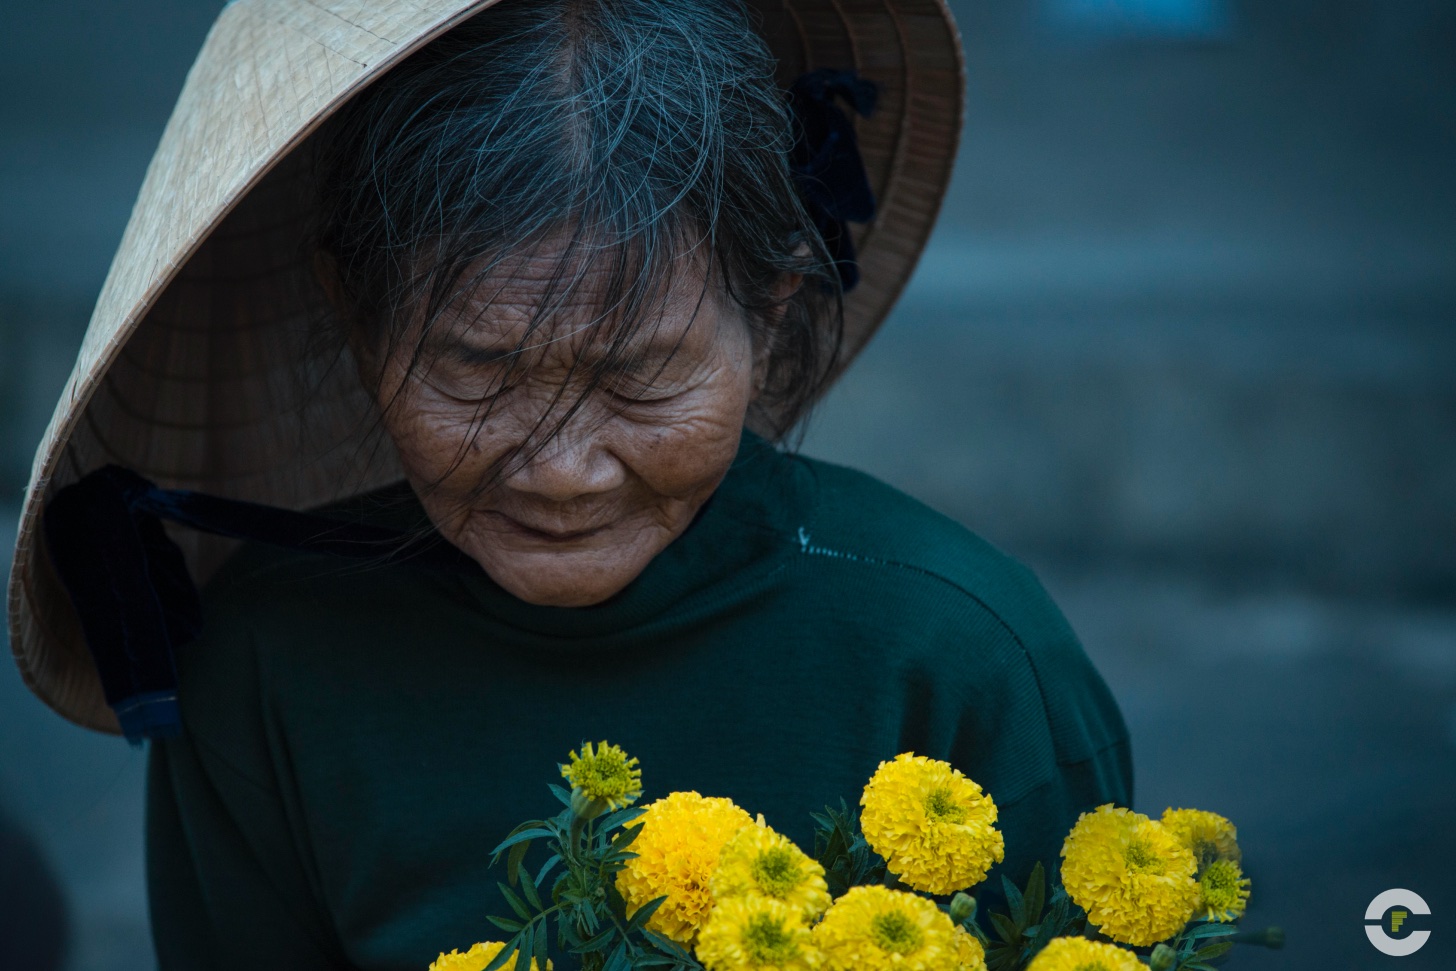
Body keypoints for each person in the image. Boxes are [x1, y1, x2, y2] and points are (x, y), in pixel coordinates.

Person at [7, 0, 1131, 967]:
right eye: (478, 370)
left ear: (770, 310)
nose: (561, 471)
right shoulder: (265, 665)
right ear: (356, 318)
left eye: (640, 377)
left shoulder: (957, 658)